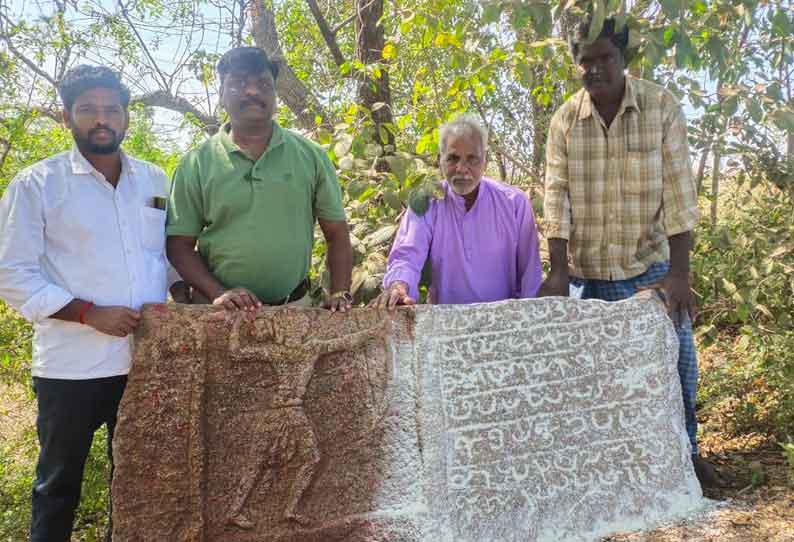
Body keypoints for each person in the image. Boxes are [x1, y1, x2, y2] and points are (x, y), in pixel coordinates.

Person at [540, 16, 720, 487]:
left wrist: (680, 275)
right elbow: (556, 196)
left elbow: (680, 193)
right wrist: (558, 272)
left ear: (624, 59)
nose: (596, 69)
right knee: (592, 381)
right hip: (589, 276)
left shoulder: (661, 107)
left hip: (650, 268)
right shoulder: (564, 121)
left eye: (606, 58)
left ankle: (687, 455)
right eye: (587, 61)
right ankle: (610, 471)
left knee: (678, 362)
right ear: (575, 64)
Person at [0, 65, 177, 542]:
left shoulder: (155, 180)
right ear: (67, 117)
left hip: (145, 363)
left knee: (140, 481)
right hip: (70, 368)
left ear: (125, 119)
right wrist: (87, 313)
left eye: (111, 110)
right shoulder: (37, 184)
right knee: (58, 485)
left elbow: (167, 258)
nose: (101, 119)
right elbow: (11, 273)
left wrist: (189, 301)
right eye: (88, 110)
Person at [166, 47, 353, 312]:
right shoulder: (196, 163)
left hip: (295, 310)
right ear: (221, 95)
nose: (253, 91)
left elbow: (336, 234)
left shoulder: (311, 156)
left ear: (275, 95)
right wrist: (219, 293)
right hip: (218, 313)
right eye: (239, 83)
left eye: (264, 84)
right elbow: (179, 246)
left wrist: (340, 292)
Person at [374, 113, 542, 309]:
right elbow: (407, 255)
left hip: (505, 324)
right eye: (453, 158)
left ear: (485, 161)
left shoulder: (515, 203)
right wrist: (398, 285)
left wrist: (526, 319)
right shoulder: (425, 201)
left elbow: (530, 276)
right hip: (445, 324)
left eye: (472, 159)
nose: (462, 168)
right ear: (440, 160)